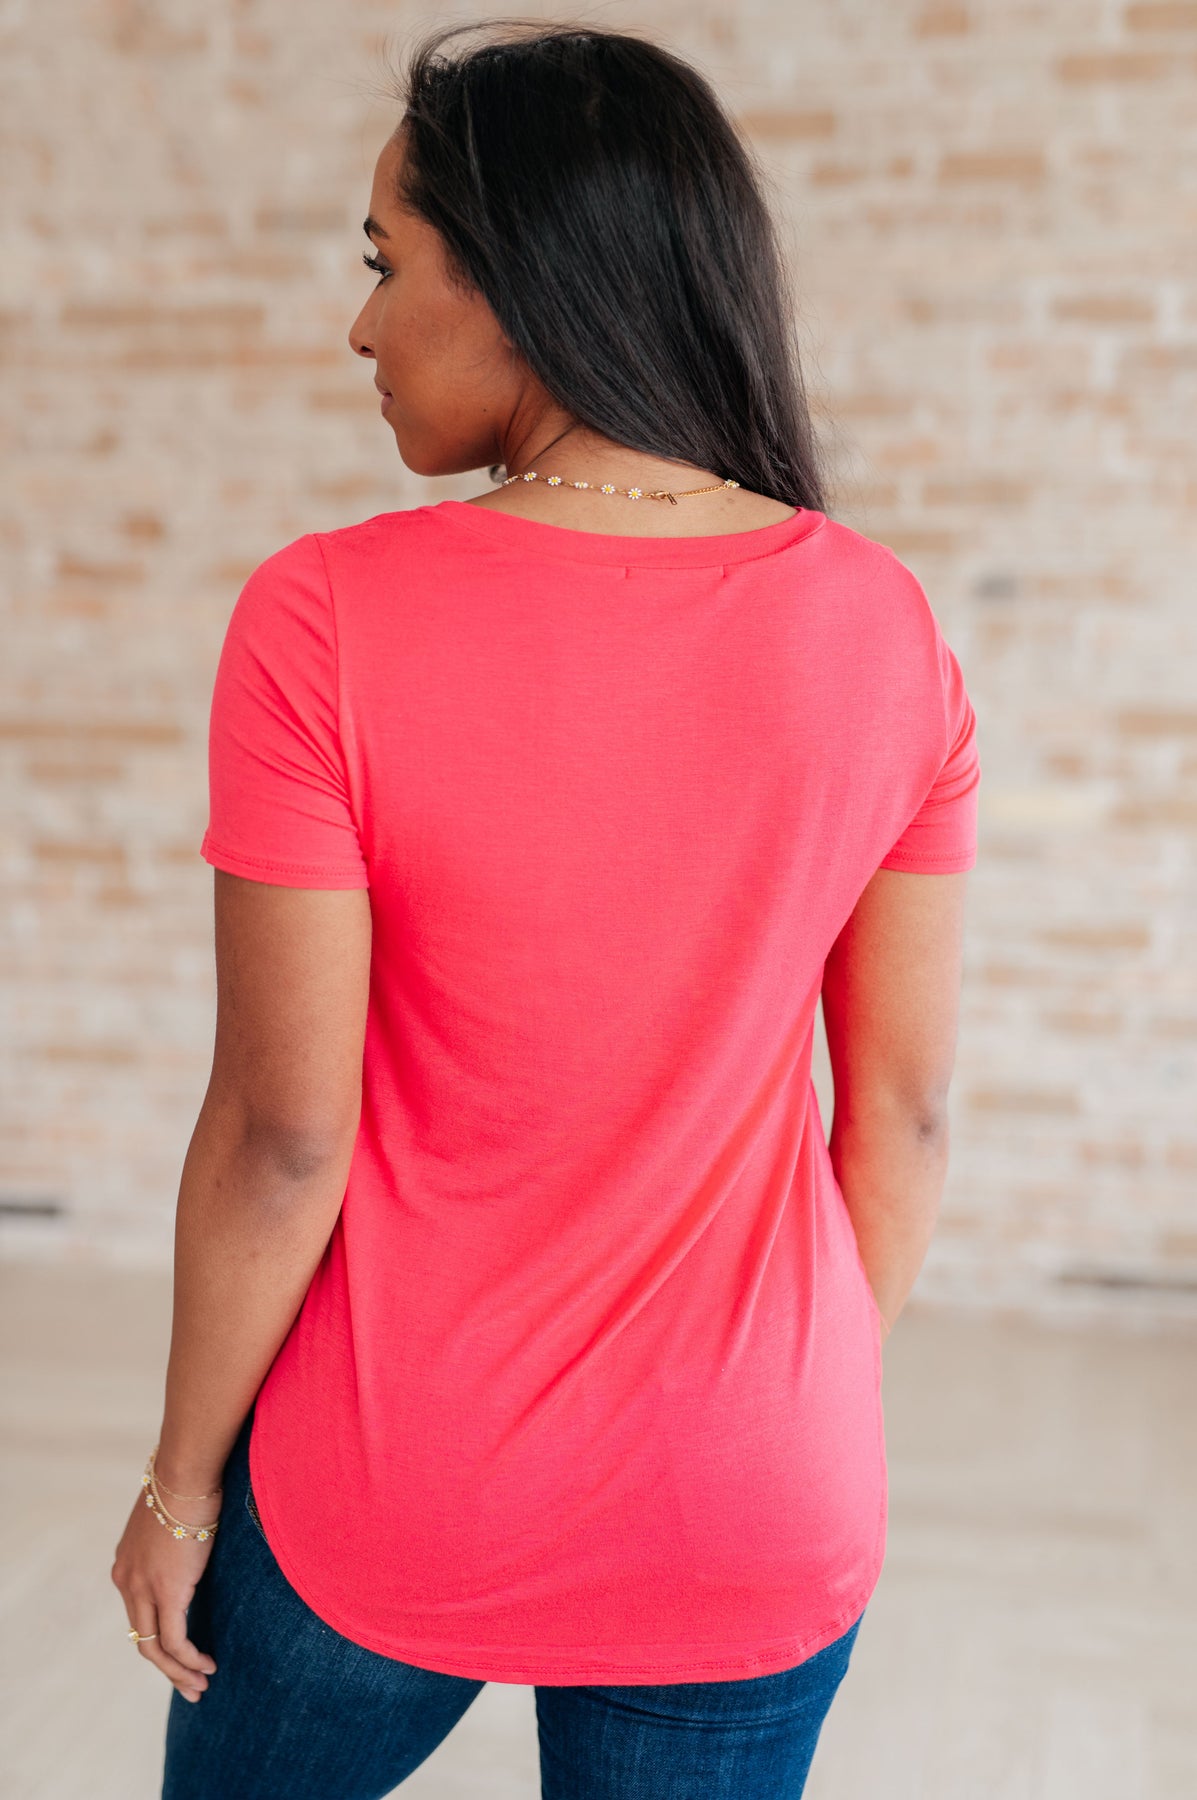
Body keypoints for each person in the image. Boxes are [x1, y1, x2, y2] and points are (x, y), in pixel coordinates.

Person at [110, 19, 980, 1798]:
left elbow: (282, 1138)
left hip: (393, 1488)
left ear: (519, 279)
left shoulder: (324, 620)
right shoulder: (881, 626)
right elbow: (898, 1115)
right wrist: (781, 1403)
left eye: (384, 264)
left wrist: (179, 1487)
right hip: (755, 1496)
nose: (359, 328)